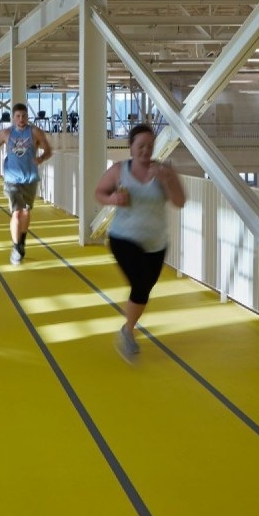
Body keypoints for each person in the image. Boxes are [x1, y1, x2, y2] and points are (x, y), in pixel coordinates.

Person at [93, 123, 186, 361]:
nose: (146, 151)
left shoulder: (164, 171)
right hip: (123, 238)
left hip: (156, 242)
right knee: (141, 284)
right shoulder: (119, 170)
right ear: (131, 147)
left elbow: (180, 201)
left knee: (143, 290)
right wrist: (113, 198)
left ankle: (127, 329)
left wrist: (167, 180)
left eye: (150, 146)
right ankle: (128, 335)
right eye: (141, 146)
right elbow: (99, 193)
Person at [0, 102, 54, 264]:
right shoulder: (6, 133)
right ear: (13, 118)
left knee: (26, 212)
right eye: (18, 116)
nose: (21, 119)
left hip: (30, 178)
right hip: (12, 179)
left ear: (28, 117)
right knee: (17, 212)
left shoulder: (34, 132)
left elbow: (48, 150)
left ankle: (22, 241)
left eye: (24, 116)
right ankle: (16, 245)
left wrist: (41, 158)